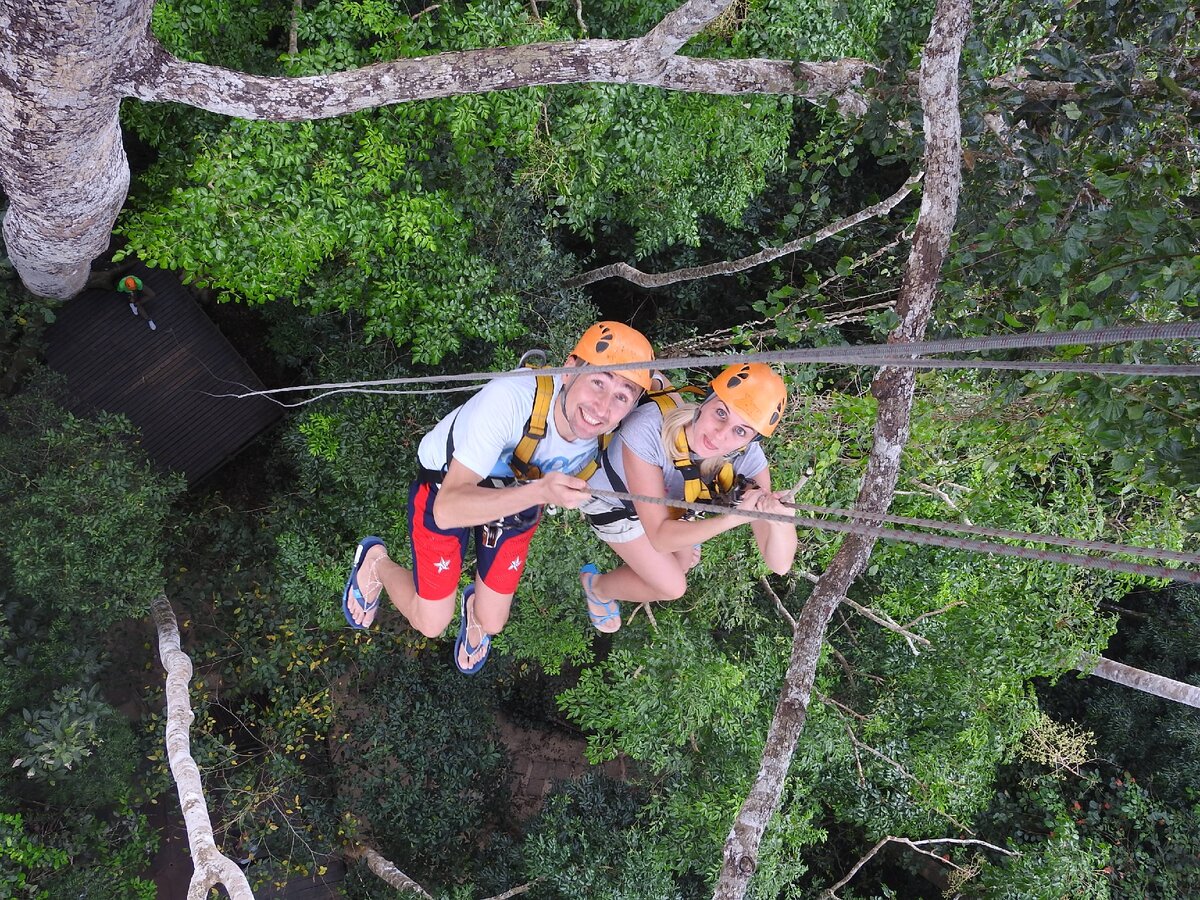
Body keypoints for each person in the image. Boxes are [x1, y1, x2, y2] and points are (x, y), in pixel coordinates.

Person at [342, 322, 655, 673]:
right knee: (430, 624)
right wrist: (539, 491)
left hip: (517, 499)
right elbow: (447, 510)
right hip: (448, 487)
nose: (602, 406)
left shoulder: (615, 437)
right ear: (570, 370)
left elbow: (676, 438)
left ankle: (476, 610)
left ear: (630, 409)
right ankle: (376, 562)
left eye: (622, 396)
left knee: (492, 622)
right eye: (598, 381)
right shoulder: (511, 398)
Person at [577, 363, 797, 632]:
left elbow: (780, 564)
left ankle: (678, 544)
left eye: (740, 431)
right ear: (705, 401)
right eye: (721, 413)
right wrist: (733, 518)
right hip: (613, 503)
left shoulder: (747, 459)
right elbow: (659, 537)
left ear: (749, 441)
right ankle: (597, 587)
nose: (720, 434)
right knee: (673, 586)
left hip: (664, 510)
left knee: (682, 562)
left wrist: (781, 522)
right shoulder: (648, 429)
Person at [86, 261, 157, 330]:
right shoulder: (121, 285)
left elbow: (139, 287)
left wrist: (135, 291)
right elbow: (121, 291)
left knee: (151, 294)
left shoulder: (137, 282)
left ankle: (137, 303)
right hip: (127, 291)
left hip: (134, 287)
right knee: (134, 301)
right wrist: (131, 295)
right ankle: (147, 318)